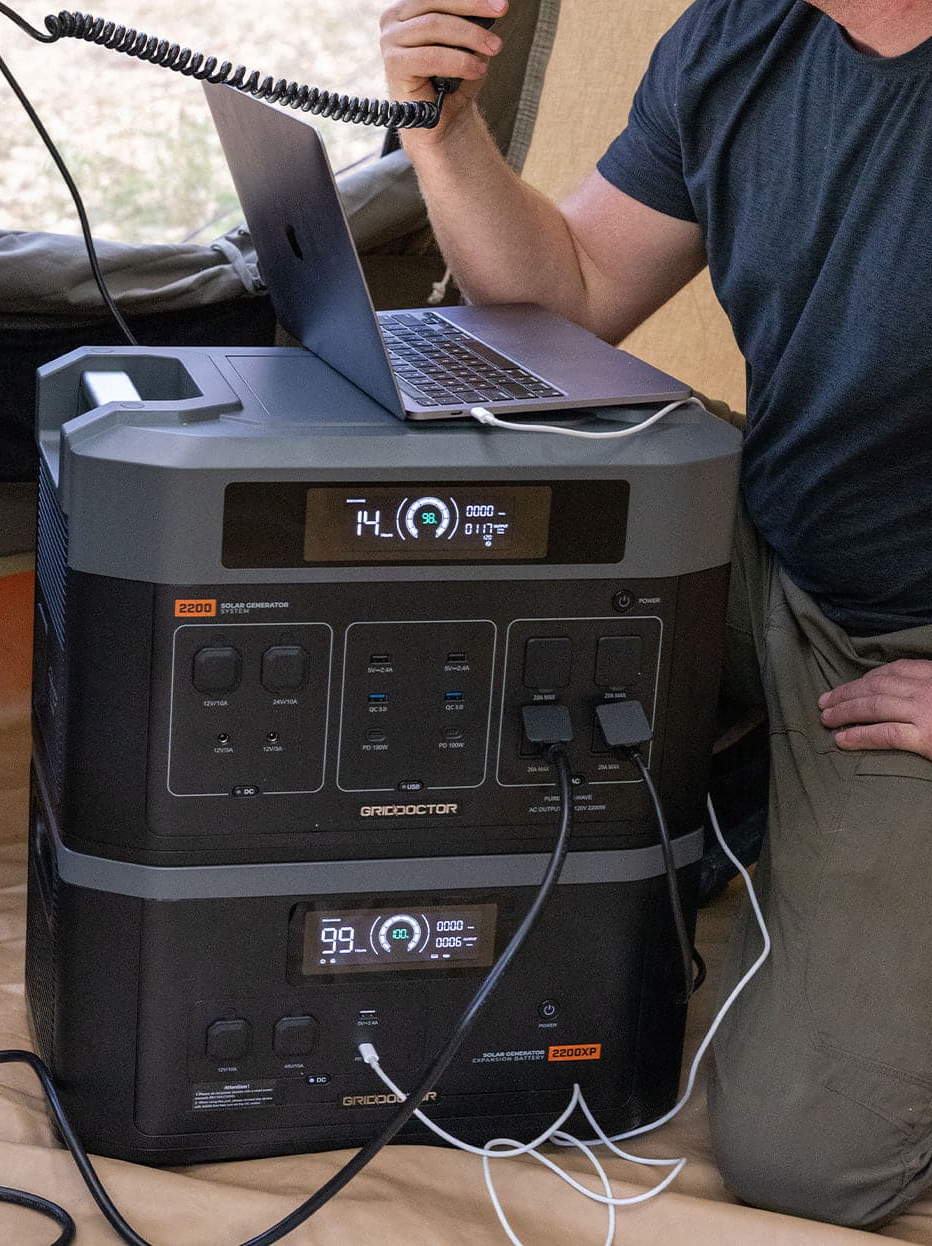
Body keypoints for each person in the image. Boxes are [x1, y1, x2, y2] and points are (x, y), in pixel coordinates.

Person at [378, 0, 932, 1229]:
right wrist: (444, 132)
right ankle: (770, 808)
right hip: (771, 553)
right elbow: (561, 300)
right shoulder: (740, 34)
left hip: (907, 661)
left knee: (813, 1159)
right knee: (449, 512)